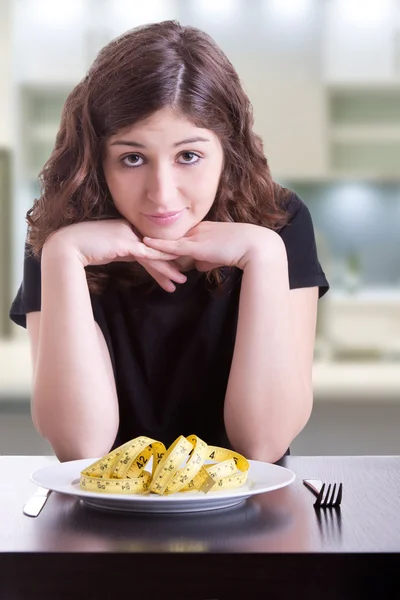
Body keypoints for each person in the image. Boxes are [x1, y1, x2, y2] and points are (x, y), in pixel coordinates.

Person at [9, 20, 329, 464]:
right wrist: (63, 255)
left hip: (249, 517)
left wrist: (265, 257)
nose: (161, 193)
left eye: (189, 156)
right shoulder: (58, 233)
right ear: (98, 160)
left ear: (228, 153)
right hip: (104, 517)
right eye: (132, 158)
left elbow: (262, 445)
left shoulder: (280, 223)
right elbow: (79, 446)